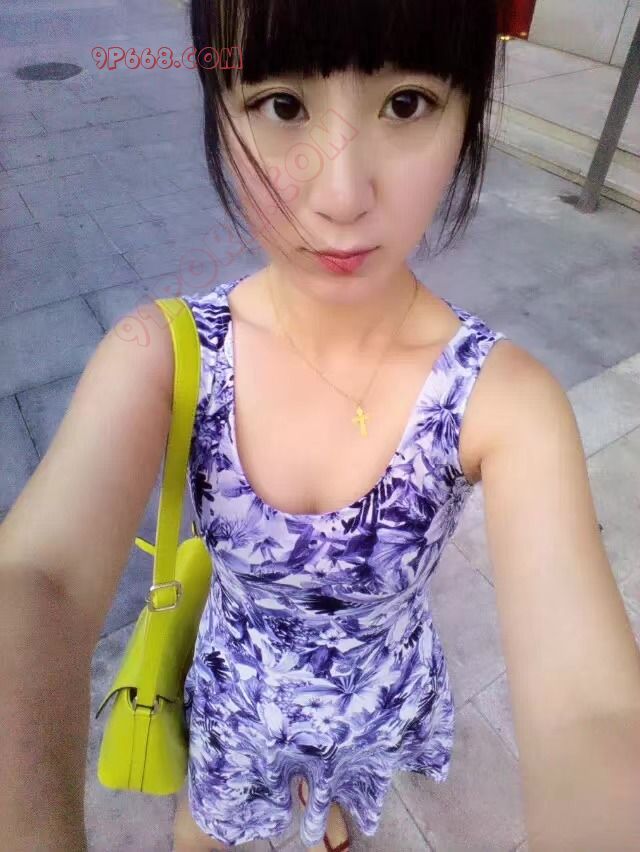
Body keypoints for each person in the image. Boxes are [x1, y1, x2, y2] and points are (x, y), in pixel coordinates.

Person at [2, 1, 640, 850]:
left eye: (407, 103)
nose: (341, 197)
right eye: (282, 104)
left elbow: (592, 708)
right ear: (220, 111)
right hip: (235, 704)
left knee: (337, 813)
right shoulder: (165, 355)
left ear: (468, 115)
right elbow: (38, 577)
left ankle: (331, 810)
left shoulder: (502, 398)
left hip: (374, 705)